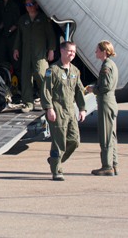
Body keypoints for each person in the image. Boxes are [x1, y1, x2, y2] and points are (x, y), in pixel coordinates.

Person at [41, 41, 86, 181]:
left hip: (70, 110)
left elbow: (79, 91)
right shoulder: (52, 70)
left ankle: (55, 160)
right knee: (59, 142)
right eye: (69, 51)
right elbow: (46, 91)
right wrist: (49, 109)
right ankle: (57, 171)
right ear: (62, 51)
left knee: (74, 140)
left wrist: (82, 108)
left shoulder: (75, 71)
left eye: (74, 52)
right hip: (58, 109)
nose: (72, 54)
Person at [13, 0, 56, 113]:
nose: (29, 6)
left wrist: (51, 49)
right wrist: (16, 49)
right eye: (27, 4)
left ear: (36, 5)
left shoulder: (42, 19)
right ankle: (28, 103)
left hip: (40, 53)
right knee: (26, 77)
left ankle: (46, 103)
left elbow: (50, 35)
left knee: (41, 76)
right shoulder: (23, 19)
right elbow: (19, 36)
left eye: (31, 4)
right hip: (26, 53)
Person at [86, 41, 119, 176]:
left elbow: (105, 86)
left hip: (106, 101)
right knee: (111, 135)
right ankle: (114, 164)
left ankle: (107, 165)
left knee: (105, 134)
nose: (95, 53)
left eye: (97, 50)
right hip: (110, 101)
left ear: (104, 51)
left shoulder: (106, 66)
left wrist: (92, 89)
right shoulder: (111, 65)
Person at [0, 0, 20, 66]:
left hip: (12, 35)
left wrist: (9, 31)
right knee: (1, 55)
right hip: (5, 34)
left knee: (13, 57)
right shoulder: (2, 4)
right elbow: (4, 20)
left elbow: (17, 22)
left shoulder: (13, 5)